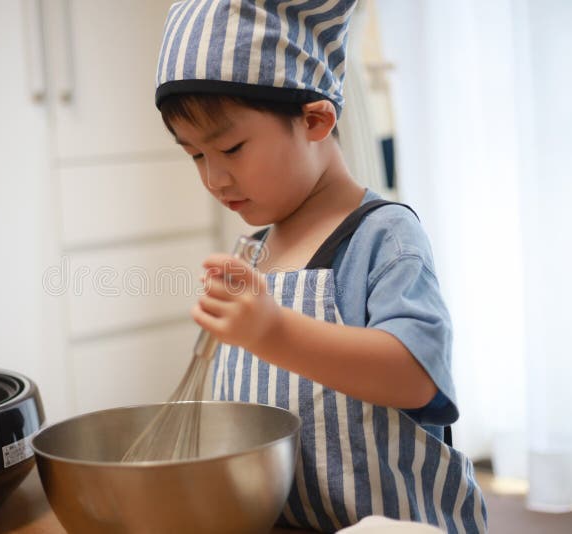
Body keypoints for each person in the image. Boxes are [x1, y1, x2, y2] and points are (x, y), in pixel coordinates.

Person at [154, 1, 487, 533]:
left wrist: (273, 329)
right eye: (194, 155)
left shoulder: (382, 235)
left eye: (231, 148)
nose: (213, 178)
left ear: (315, 119)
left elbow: (418, 377)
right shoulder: (256, 250)